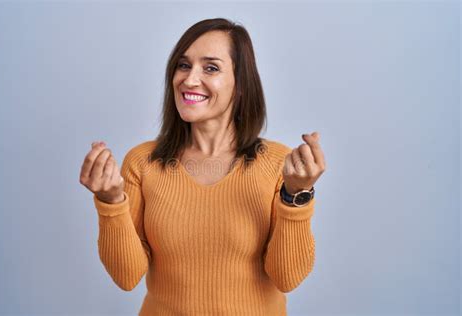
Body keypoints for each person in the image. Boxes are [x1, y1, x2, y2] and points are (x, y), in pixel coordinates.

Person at [79, 18, 326, 316]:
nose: (189, 79)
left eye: (210, 68)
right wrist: (111, 202)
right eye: (183, 65)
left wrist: (295, 196)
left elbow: (287, 278)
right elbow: (127, 277)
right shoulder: (142, 163)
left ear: (241, 86)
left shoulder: (277, 164)